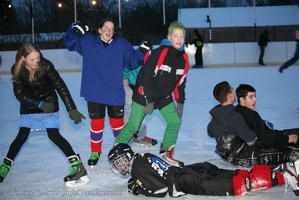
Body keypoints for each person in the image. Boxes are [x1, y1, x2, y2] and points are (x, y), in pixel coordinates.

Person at [63, 19, 152, 169]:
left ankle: (120, 150)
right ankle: (95, 152)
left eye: (111, 29)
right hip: (94, 91)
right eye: (105, 28)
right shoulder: (88, 41)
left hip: (115, 92)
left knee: (118, 126)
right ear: (99, 29)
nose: (108, 31)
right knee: (96, 125)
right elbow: (70, 44)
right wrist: (73, 30)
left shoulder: (121, 44)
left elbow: (132, 61)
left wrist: (142, 51)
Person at [0, 42, 88, 187]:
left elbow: (60, 86)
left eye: (38, 58)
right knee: (22, 136)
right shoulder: (16, 70)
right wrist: (38, 104)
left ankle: (77, 165)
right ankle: (5, 166)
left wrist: (71, 109)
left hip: (49, 103)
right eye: (32, 59)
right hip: (30, 105)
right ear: (23, 58)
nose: (36, 62)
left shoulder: (46, 66)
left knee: (53, 134)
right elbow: (19, 93)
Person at [113, 21, 189, 167]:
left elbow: (180, 83)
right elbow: (146, 78)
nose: (179, 39)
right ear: (169, 37)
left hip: (162, 96)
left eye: (182, 36)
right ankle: (118, 148)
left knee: (175, 121)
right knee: (134, 125)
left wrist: (180, 101)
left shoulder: (184, 59)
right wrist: (149, 100)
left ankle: (166, 151)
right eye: (175, 36)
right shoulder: (160, 53)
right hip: (144, 94)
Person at [107, 143, 299, 197]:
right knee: (239, 174)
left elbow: (160, 190)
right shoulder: (145, 156)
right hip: (193, 169)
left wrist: (138, 187)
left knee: (239, 184)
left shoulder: (136, 170)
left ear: (128, 155)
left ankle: (283, 176)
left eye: (120, 161)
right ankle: (280, 170)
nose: (120, 166)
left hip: (185, 181)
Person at [207, 81, 295, 167]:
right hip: (241, 156)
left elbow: (210, 133)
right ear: (230, 95)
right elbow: (250, 139)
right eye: (233, 90)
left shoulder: (216, 115)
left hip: (225, 154)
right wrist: (256, 131)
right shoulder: (235, 116)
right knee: (289, 152)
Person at [235, 84, 299, 152]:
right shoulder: (251, 115)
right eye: (251, 97)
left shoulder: (235, 111)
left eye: (255, 96)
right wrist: (286, 139)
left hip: (245, 148)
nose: (255, 100)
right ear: (242, 99)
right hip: (258, 149)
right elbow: (265, 137)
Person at [123, 67, 158, 148]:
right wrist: (124, 79)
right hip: (130, 84)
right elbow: (127, 63)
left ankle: (139, 136)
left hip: (145, 86)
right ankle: (124, 141)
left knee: (142, 115)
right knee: (130, 114)